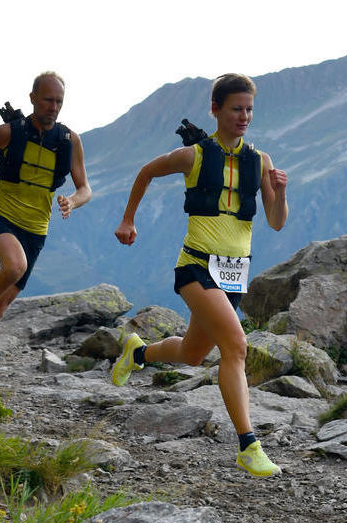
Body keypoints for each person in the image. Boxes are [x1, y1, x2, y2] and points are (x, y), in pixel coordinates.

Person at [109, 73, 289, 479]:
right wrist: (128, 219)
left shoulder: (260, 162)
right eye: (236, 109)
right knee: (236, 347)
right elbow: (145, 172)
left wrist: (280, 191)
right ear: (216, 110)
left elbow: (277, 222)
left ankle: (137, 352)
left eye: (249, 110)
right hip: (195, 265)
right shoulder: (194, 155)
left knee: (193, 354)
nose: (244, 116)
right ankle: (248, 444)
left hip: (234, 273)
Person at [0, 71, 92, 373]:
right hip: (2, 217)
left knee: (0, 308)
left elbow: (85, 189)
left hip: (36, 230)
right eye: (48, 100)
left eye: (59, 102)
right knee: (15, 266)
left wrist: (72, 202)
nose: (54, 107)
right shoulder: (9, 133)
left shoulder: (69, 140)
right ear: (33, 99)